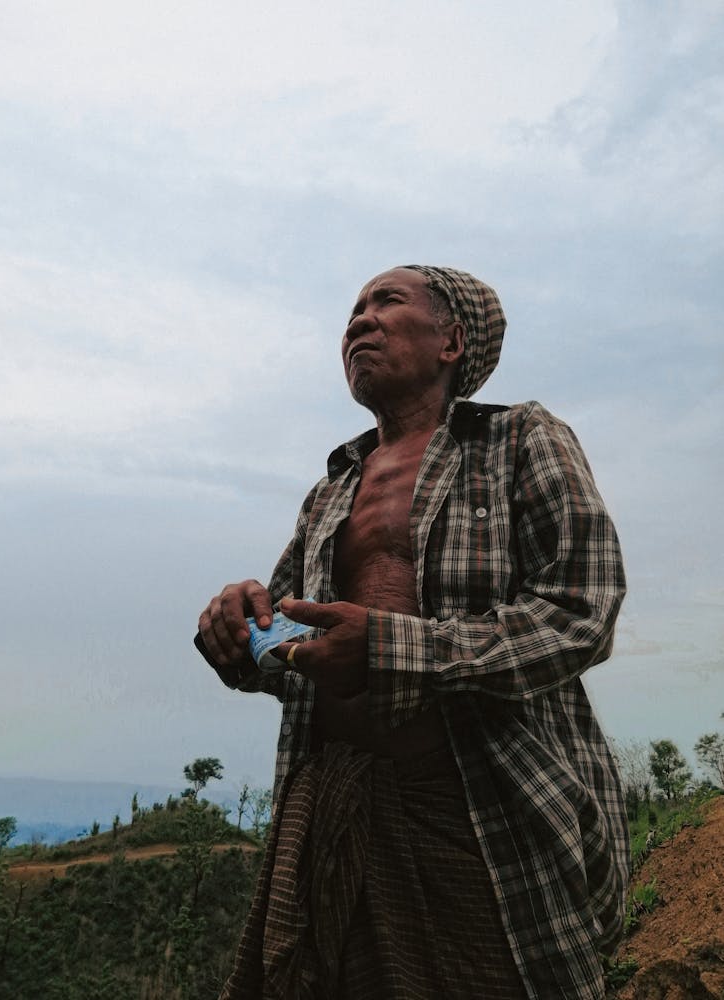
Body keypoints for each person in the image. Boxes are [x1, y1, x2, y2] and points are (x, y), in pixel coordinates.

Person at [196, 265, 630, 1000]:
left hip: (476, 810)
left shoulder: (520, 439)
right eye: (354, 310)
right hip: (330, 799)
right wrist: (240, 630)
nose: (358, 321)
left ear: (452, 342)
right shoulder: (331, 488)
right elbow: (288, 641)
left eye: (386, 302)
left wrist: (393, 649)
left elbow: (581, 609)